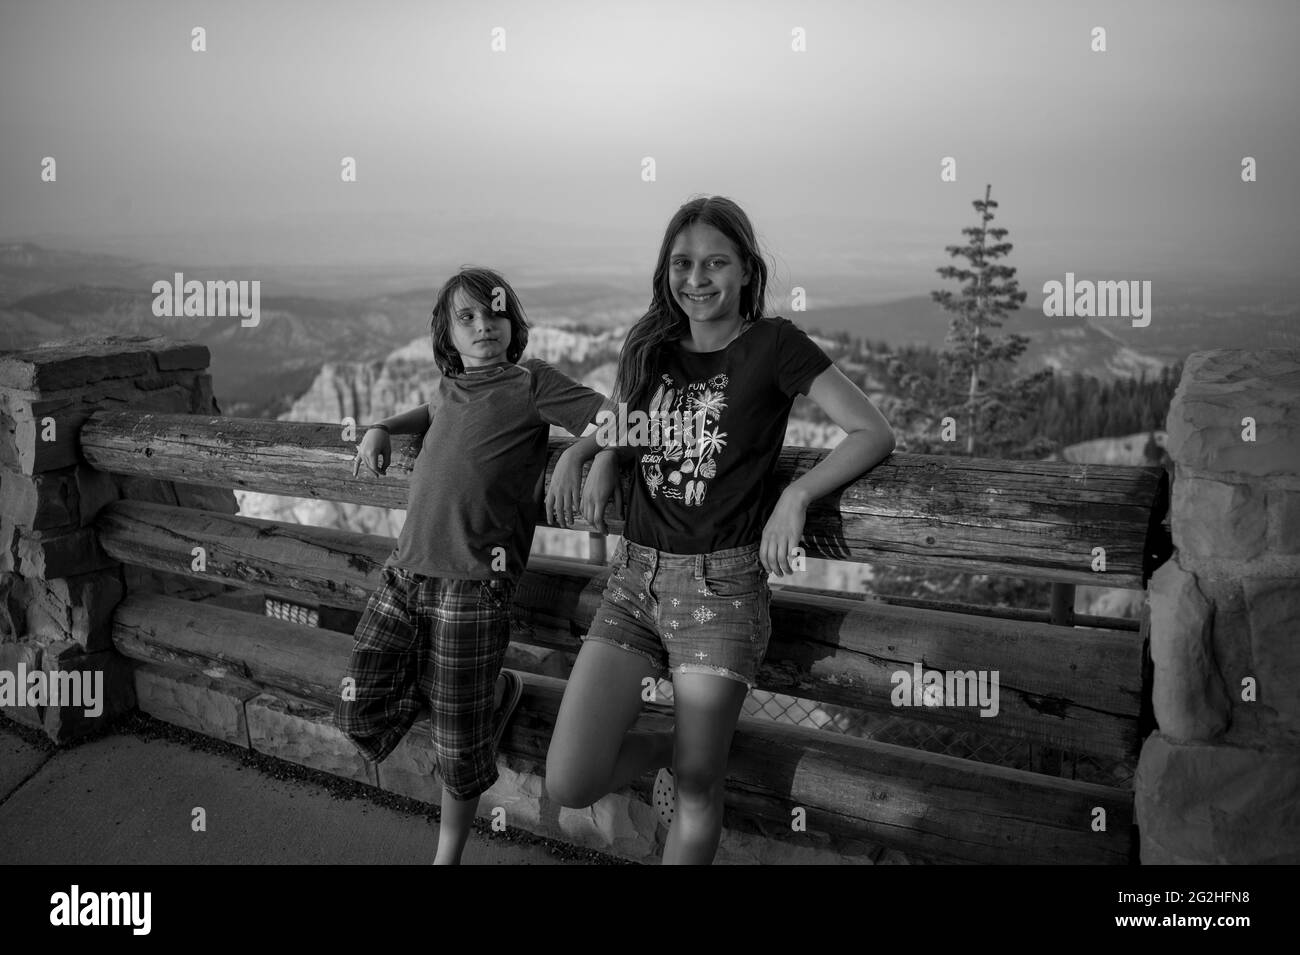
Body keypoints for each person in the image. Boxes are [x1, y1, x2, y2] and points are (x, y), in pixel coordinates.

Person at [544, 196, 897, 864]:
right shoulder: (651, 345)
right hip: (634, 581)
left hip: (721, 591)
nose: (697, 278)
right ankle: (669, 755)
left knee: (704, 788)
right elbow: (627, 423)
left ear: (743, 269)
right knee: (569, 778)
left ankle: (689, 766)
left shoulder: (775, 345)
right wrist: (586, 453)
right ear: (666, 271)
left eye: (715, 262)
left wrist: (797, 493)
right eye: (683, 263)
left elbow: (873, 430)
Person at [336, 266, 609, 864]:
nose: (484, 324)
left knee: (457, 746)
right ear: (448, 335)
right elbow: (433, 414)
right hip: (404, 574)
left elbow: (616, 419)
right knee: (358, 707)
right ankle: (487, 698)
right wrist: (382, 426)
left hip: (474, 587)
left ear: (514, 325)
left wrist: (574, 456)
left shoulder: (531, 382)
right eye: (467, 317)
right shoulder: (452, 386)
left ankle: (447, 855)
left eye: (496, 312)